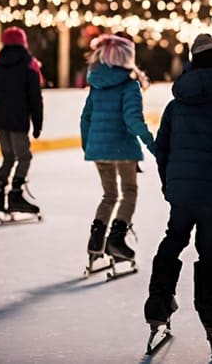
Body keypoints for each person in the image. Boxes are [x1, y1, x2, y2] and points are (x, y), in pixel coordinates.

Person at [144, 34, 212, 349]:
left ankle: (158, 300)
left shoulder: (176, 105)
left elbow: (161, 149)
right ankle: (209, 309)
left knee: (174, 238)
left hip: (181, 193)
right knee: (209, 250)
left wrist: (170, 185)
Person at [80, 34, 155, 262]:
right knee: (129, 192)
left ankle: (95, 244)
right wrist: (152, 143)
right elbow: (132, 119)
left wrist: (89, 147)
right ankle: (116, 240)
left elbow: (86, 119)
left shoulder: (96, 84)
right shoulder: (129, 85)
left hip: (99, 149)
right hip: (122, 149)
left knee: (110, 195)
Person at [0, 26, 43, 217]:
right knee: (24, 157)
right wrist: (37, 124)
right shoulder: (29, 65)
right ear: (23, 43)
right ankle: (15, 195)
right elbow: (35, 98)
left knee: (8, 157)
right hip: (17, 121)